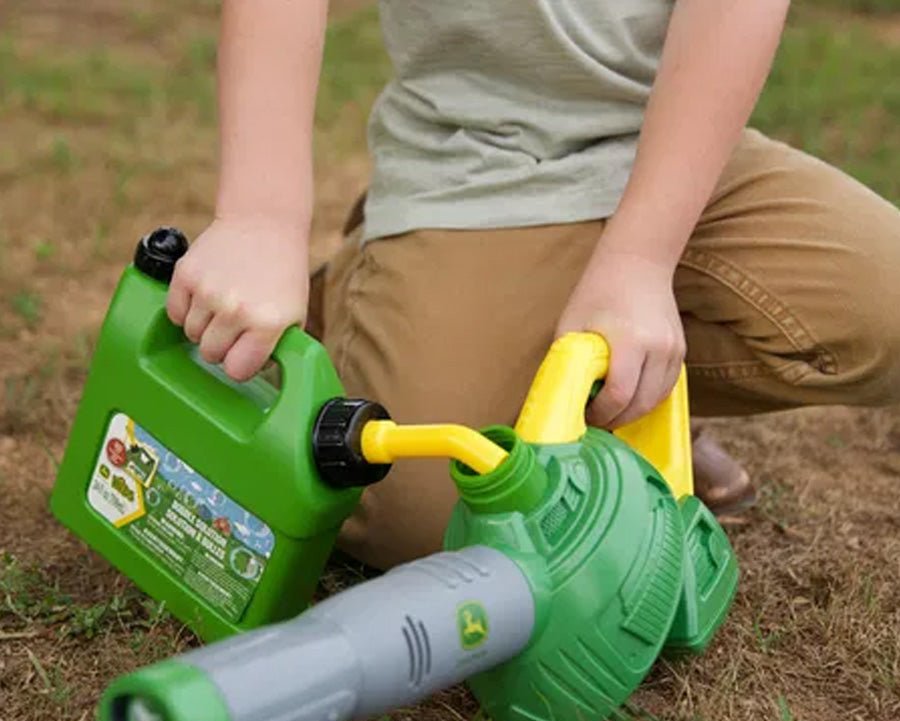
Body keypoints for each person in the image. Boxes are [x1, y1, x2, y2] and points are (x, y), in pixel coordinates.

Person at [165, 0, 900, 570]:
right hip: (473, 167)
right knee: (430, 520)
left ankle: (615, 393)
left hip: (675, 148)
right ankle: (368, 297)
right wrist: (261, 218)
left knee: (884, 308)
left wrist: (641, 260)